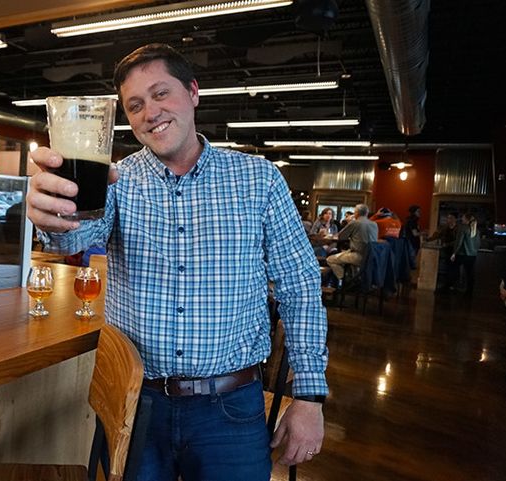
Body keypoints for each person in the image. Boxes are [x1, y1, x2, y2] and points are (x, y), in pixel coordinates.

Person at [26, 44, 327, 481]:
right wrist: (52, 216)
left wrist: (309, 397)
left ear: (193, 92)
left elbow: (300, 286)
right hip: (136, 402)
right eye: (135, 105)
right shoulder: (116, 181)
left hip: (231, 408)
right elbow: (75, 236)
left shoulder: (259, 179)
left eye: (161, 93)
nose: (150, 112)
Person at [326, 203, 378, 287]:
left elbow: (341, 237)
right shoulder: (374, 224)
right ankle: (354, 279)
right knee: (345, 255)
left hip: (358, 256)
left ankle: (345, 280)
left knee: (330, 259)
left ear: (356, 213)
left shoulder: (355, 223)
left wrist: (348, 222)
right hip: (371, 257)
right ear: (366, 213)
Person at [451, 212, 481, 297]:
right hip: (472, 255)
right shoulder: (476, 230)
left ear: (467, 219)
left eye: (463, 218)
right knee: (470, 274)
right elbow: (478, 244)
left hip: (463, 254)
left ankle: (453, 287)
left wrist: (454, 253)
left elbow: (458, 242)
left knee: (453, 269)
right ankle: (469, 292)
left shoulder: (463, 228)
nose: (461, 219)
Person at [427, 213, 459, 291]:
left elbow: (458, 241)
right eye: (448, 218)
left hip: (455, 251)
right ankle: (447, 285)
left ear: (455, 219)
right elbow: (437, 235)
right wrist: (428, 240)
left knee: (454, 268)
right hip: (446, 250)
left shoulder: (458, 229)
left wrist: (447, 244)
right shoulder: (444, 228)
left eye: (450, 218)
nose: (448, 220)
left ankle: (452, 285)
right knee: (447, 267)